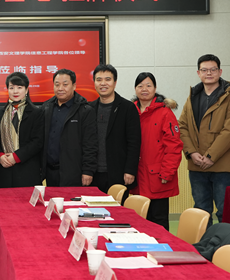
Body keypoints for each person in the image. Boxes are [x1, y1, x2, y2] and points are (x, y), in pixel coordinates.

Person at [178, 54, 230, 226]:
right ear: (198, 73)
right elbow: (182, 126)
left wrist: (210, 156)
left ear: (220, 72)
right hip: (197, 165)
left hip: (222, 166)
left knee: (225, 211)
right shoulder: (193, 96)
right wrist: (192, 153)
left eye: (213, 69)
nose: (209, 73)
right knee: (201, 211)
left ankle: (225, 243)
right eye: (204, 70)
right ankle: (205, 242)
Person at [131, 72, 182, 230]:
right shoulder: (131, 111)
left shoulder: (165, 112)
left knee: (158, 221)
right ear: (135, 89)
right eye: (140, 86)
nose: (144, 89)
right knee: (140, 221)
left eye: (148, 85)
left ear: (155, 88)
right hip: (137, 176)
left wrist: (167, 172)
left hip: (159, 176)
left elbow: (174, 146)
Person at [89, 64, 141, 196]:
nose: (103, 83)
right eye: (99, 79)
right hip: (93, 175)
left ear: (115, 82)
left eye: (108, 79)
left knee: (118, 208)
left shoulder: (127, 108)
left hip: (119, 173)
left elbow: (134, 142)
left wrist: (130, 170)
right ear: (94, 83)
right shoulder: (89, 108)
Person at [41, 69, 97, 187]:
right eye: (57, 84)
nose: (60, 88)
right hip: (50, 172)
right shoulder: (46, 108)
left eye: (65, 84)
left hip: (74, 172)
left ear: (74, 86)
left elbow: (90, 144)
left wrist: (88, 171)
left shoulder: (85, 110)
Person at [0, 72, 45, 188]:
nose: (15, 91)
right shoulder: (0, 113)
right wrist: (0, 156)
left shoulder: (36, 113)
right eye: (11, 88)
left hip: (27, 169)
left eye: (19, 87)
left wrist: (16, 157)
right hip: (5, 169)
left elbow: (37, 141)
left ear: (26, 90)